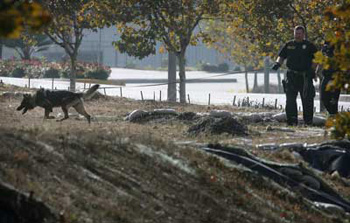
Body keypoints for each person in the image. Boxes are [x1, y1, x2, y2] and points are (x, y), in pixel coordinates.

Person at [272, 25, 318, 126]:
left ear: (303, 34)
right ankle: (292, 121)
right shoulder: (289, 45)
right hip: (291, 76)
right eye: (296, 33)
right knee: (290, 100)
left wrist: (312, 70)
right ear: (294, 34)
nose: (297, 35)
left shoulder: (309, 45)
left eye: (300, 34)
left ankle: (308, 122)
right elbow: (281, 56)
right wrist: (277, 64)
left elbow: (317, 59)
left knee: (307, 100)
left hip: (305, 76)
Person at [319, 41, 340, 116]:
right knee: (323, 97)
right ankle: (332, 114)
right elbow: (321, 58)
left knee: (333, 100)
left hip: (335, 77)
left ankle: (334, 116)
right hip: (326, 76)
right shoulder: (326, 43)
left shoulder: (339, 44)